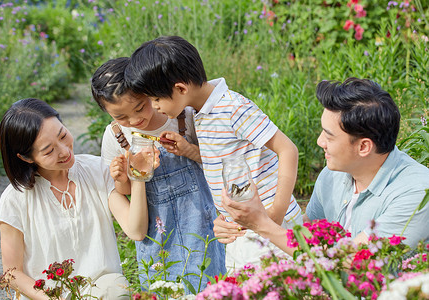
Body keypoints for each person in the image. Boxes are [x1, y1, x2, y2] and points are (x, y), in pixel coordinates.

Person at [124, 36, 303, 270]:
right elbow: (226, 158)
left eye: (156, 99)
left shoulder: (232, 108)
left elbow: (288, 149)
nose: (154, 106)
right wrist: (189, 151)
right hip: (242, 226)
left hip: (269, 224)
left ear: (180, 88)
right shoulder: (201, 112)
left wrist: (275, 214)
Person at [219, 77, 429, 254]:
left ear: (364, 147)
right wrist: (240, 226)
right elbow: (307, 232)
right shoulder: (333, 175)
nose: (320, 142)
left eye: (329, 136)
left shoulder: (417, 193)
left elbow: (352, 262)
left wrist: (261, 224)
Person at [91, 57, 226, 292]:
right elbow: (125, 193)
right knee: (164, 287)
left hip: (200, 221)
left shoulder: (181, 117)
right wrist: (123, 178)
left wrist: (189, 150)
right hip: (158, 232)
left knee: (210, 282)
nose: (134, 121)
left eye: (140, 107)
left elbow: (216, 165)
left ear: (150, 91)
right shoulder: (115, 136)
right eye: (120, 116)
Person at [0, 98, 150, 300]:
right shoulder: (15, 199)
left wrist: (138, 175)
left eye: (63, 135)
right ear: (26, 158)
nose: (64, 151)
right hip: (47, 296)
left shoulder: (96, 170)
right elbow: (12, 273)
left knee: (115, 288)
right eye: (49, 150)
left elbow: (136, 230)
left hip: (101, 291)